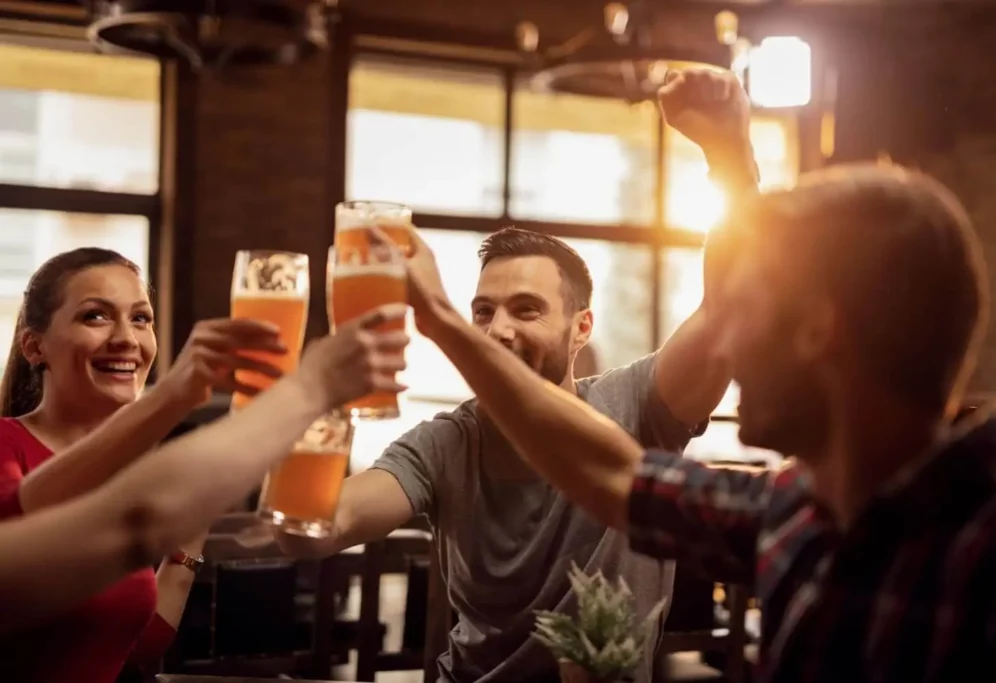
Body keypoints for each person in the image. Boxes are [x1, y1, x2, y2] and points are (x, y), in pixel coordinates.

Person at [403, 161, 996, 682]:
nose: (722, 352)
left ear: (816, 330)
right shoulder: (796, 512)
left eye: (744, 315)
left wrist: (446, 322)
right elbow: (610, 473)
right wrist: (441, 322)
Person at [276, 68, 759, 683]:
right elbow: (313, 532)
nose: (499, 329)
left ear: (582, 328)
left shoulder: (637, 404)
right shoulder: (448, 442)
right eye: (483, 311)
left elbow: (726, 312)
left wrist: (730, 160)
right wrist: (315, 392)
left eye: (526, 310)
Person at [0, 247, 407, 683]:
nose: (126, 338)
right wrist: (305, 389)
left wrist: (191, 531)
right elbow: (38, 524)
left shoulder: (136, 470)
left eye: (140, 318)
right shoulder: (8, 443)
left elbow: (139, 646)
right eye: (95, 317)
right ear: (33, 345)